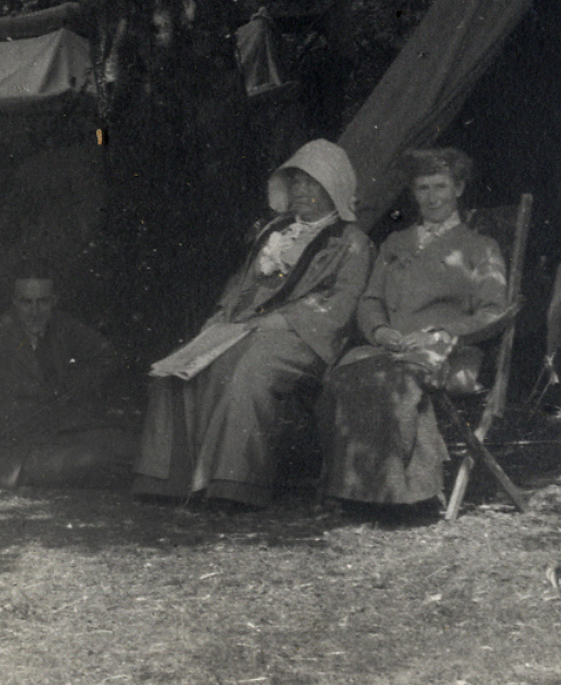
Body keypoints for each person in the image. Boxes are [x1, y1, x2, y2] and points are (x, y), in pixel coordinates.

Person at [132, 138, 372, 507]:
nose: (302, 191)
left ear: (334, 188)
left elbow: (340, 307)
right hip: (244, 328)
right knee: (176, 369)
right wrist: (217, 321)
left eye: (313, 183)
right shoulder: (272, 232)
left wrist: (276, 323)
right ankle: (168, 482)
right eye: (296, 182)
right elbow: (238, 286)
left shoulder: (351, 241)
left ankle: (232, 485)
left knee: (246, 368)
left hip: (303, 338)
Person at [318, 148, 515, 507]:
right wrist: (380, 331)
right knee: (343, 373)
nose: (432, 197)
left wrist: (440, 331)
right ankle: (358, 490)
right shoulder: (396, 242)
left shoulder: (479, 247)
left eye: (440, 186)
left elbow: (493, 312)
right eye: (422, 188)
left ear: (458, 188)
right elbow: (370, 300)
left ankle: (403, 492)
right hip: (390, 347)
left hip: (449, 351)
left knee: (395, 381)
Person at [0, 270, 140, 489]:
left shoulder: (62, 326)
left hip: (52, 433)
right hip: (8, 449)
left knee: (128, 446)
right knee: (92, 460)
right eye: (26, 302)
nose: (34, 312)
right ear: (14, 303)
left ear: (54, 301)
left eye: (42, 302)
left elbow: (106, 355)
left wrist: (73, 387)